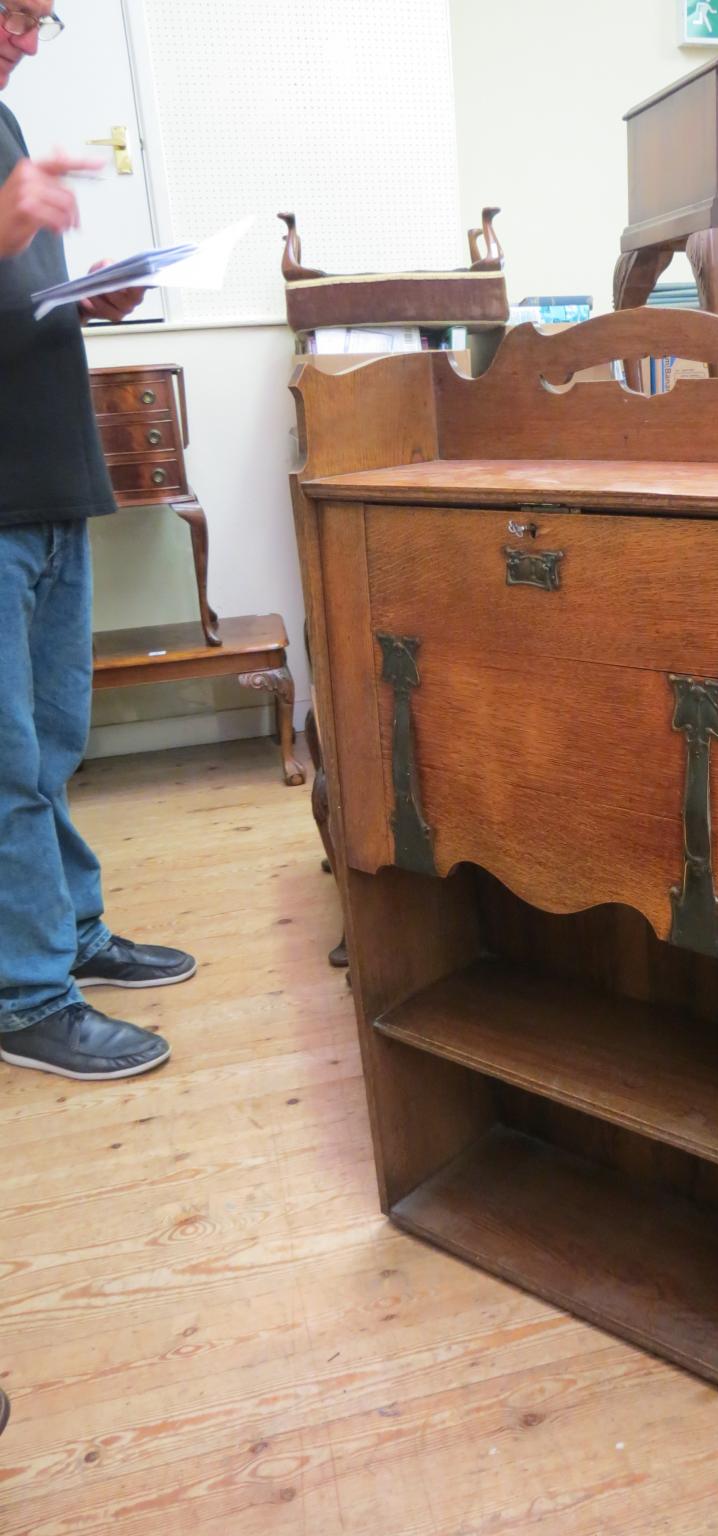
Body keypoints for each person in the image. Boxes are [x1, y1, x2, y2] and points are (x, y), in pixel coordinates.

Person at [0, 2, 195, 1081]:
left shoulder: (7, 132)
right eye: (12, 10)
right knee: (6, 769)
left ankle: (68, 937)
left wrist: (96, 296)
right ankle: (27, 998)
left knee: (55, 747)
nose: (25, 37)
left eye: (41, 18)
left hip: (47, 486)